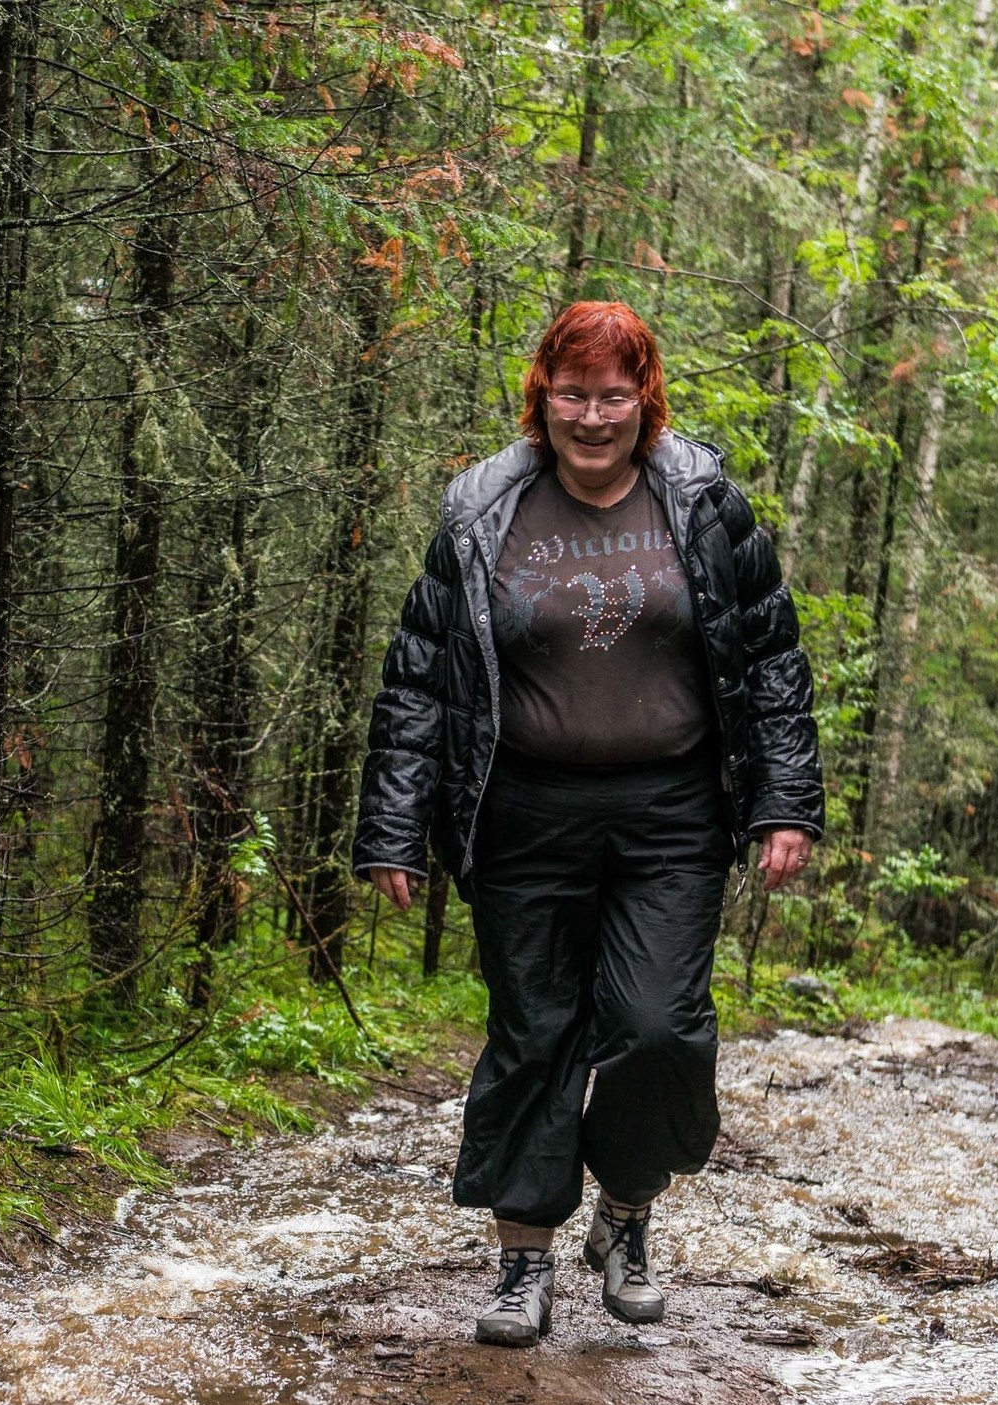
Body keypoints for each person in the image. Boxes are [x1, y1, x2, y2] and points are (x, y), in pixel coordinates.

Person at [352, 301, 825, 1348]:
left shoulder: (703, 502)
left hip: (672, 813)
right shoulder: (481, 509)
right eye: (574, 394)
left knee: (660, 1029)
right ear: (543, 396)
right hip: (521, 810)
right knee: (534, 1034)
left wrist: (785, 801)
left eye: (615, 395)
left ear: (645, 400)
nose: (593, 416)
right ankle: (524, 1258)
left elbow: (769, 659)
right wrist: (392, 823)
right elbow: (420, 677)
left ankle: (624, 1210)